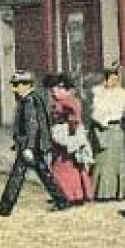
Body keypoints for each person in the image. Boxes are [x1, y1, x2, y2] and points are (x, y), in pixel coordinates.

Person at [0, 70, 71, 217]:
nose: (14, 89)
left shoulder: (29, 101)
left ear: (26, 85)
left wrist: (29, 148)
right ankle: (62, 201)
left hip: (31, 146)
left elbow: (32, 126)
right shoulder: (31, 98)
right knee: (43, 174)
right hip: (33, 145)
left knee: (19, 175)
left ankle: (6, 207)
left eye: (16, 85)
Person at [88, 67, 125, 202]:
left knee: (116, 161)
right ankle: (101, 192)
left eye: (115, 78)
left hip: (116, 129)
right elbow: (94, 110)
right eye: (109, 78)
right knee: (102, 161)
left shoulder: (124, 94)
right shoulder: (98, 92)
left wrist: (121, 116)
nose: (112, 81)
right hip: (101, 130)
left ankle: (119, 191)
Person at [46, 74, 93, 206]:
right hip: (59, 135)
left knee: (68, 167)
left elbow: (74, 119)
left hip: (67, 134)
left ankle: (72, 195)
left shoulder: (70, 102)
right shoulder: (57, 102)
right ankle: (67, 194)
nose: (55, 92)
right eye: (54, 89)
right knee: (60, 166)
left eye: (59, 89)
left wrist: (71, 137)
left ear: (67, 90)